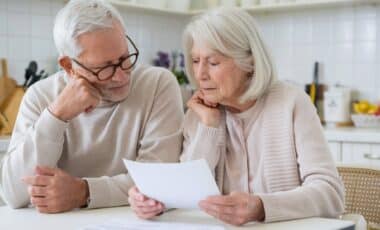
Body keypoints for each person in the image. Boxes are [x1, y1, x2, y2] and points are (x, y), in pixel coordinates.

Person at [128, 8, 345, 225]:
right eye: (195, 61)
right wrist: (151, 201)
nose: (200, 74)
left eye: (213, 63)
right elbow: (187, 193)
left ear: (249, 63)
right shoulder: (200, 114)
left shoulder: (291, 103)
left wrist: (261, 207)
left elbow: (331, 194)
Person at [0, 0, 184, 213]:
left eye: (124, 58)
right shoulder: (40, 96)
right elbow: (14, 194)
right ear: (69, 66)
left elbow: (159, 179)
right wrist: (56, 115)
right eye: (105, 67)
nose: (122, 76)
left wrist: (84, 192)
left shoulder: (158, 84)